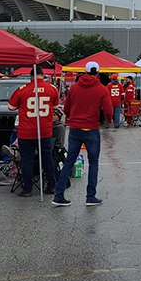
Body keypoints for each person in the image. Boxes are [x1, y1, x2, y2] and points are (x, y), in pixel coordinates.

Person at [53, 61, 112, 207]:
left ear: (84, 72)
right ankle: (90, 196)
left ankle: (59, 194)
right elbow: (109, 111)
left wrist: (73, 117)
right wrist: (108, 121)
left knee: (69, 161)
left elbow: (66, 109)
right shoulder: (102, 89)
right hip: (91, 128)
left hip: (75, 128)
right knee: (93, 162)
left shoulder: (74, 88)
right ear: (97, 73)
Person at [7, 67, 59, 197]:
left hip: (26, 130)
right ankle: (51, 185)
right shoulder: (52, 89)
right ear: (43, 74)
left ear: (30, 76)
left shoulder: (22, 89)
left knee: (27, 160)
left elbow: (11, 107)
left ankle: (27, 188)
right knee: (47, 158)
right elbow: (56, 106)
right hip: (44, 130)